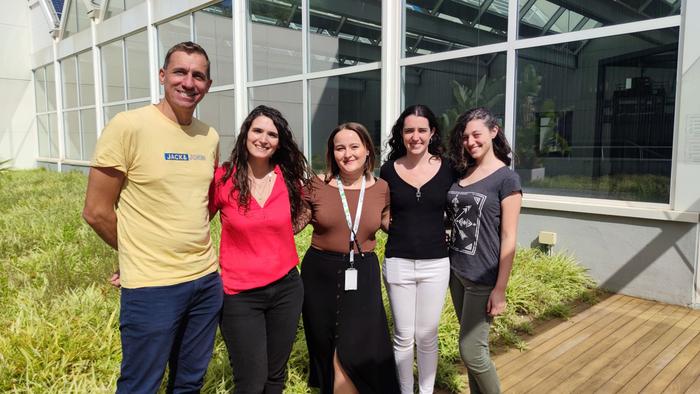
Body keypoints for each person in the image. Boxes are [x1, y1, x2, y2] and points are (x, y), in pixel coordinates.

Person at [82, 42, 222, 393]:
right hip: (152, 286)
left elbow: (198, 204)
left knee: (190, 382)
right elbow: (96, 211)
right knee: (141, 384)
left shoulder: (210, 136)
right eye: (180, 72)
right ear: (162, 76)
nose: (189, 82)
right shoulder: (129, 126)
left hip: (206, 280)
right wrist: (134, 251)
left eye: (198, 75)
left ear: (208, 84)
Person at [209, 105, 312, 394]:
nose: (264, 139)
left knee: (275, 377)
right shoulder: (224, 178)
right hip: (240, 296)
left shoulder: (288, 179)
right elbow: (194, 223)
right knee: (251, 381)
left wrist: (277, 233)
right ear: (245, 134)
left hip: (287, 289)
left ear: (280, 142)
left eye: (272, 134)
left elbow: (307, 210)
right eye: (258, 131)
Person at [301, 122, 400, 394]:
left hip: (362, 271)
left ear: (367, 150)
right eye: (340, 148)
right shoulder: (316, 185)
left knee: (353, 348)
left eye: (354, 146)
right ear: (332, 153)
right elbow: (292, 222)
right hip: (319, 272)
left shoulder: (381, 188)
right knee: (326, 343)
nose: (347, 154)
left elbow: (389, 223)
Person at [446, 107, 522, 394]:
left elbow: (509, 236)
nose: (470, 142)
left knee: (472, 352)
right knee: (474, 349)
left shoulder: (506, 179)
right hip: (457, 273)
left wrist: (500, 288)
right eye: (465, 137)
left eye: (476, 134)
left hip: (483, 277)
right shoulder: (463, 172)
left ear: (493, 132)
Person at [380, 105, 454, 394]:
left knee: (427, 335)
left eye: (422, 130)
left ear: (432, 132)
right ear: (402, 133)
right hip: (398, 261)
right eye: (409, 130)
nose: (415, 136)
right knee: (403, 335)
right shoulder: (388, 169)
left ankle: (425, 391)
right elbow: (383, 213)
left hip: (436, 264)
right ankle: (405, 390)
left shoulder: (448, 168)